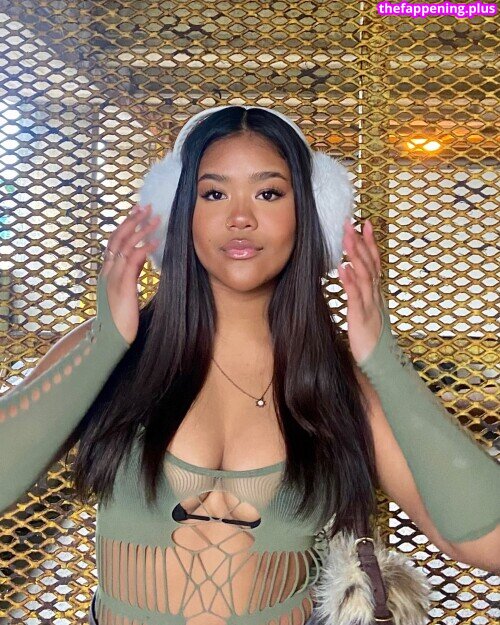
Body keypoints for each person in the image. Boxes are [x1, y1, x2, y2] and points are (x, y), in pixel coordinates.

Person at [1, 105, 498, 625]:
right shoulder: (105, 351)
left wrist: (385, 363)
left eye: (269, 193)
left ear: (310, 215)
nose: (240, 217)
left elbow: (491, 544)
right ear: (179, 213)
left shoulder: (341, 384)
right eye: (214, 194)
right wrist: (104, 345)